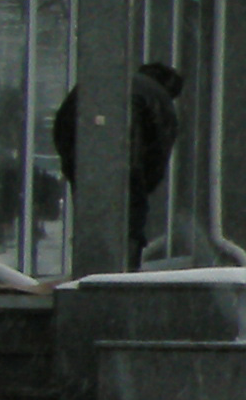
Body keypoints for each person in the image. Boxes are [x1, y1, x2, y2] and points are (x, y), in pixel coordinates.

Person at [53, 59, 185, 265]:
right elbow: (158, 152)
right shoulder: (160, 99)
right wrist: (142, 185)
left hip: (86, 157)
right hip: (127, 163)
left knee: (92, 217)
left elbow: (62, 127)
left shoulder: (99, 84)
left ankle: (90, 264)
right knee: (130, 222)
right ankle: (120, 274)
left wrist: (74, 169)